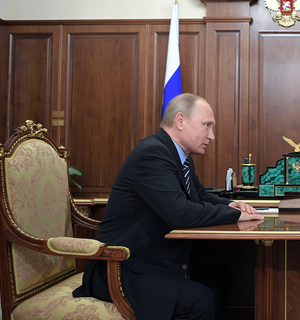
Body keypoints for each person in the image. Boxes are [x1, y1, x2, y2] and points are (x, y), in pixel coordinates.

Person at [73, 93, 263, 320]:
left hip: (156, 258)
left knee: (219, 274)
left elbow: (200, 195)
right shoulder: (152, 153)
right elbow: (180, 213)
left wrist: (232, 204)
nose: (211, 136)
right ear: (180, 120)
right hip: (124, 266)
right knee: (200, 301)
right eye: (207, 126)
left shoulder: (179, 156)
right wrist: (233, 215)